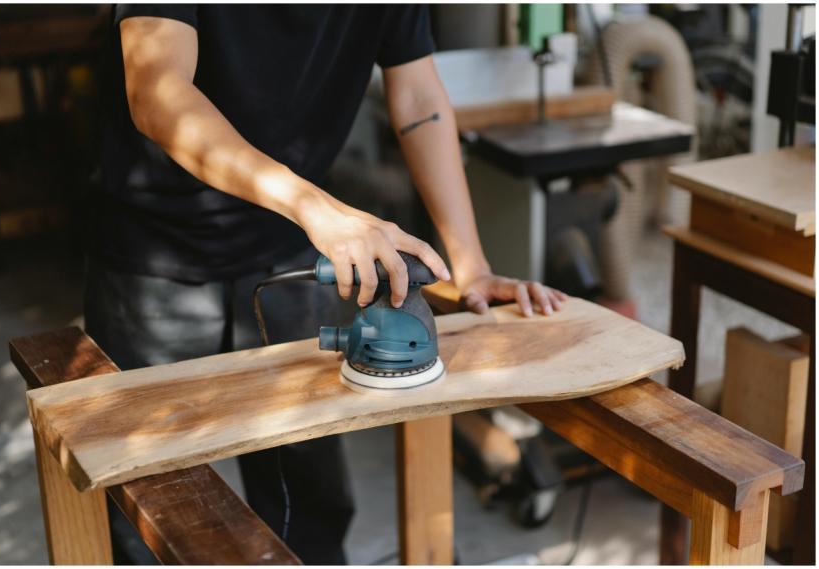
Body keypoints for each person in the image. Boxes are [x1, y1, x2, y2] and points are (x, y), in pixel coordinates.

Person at [86, 4, 567, 564]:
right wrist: (316, 208)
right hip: (154, 254)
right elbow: (157, 92)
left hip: (288, 242)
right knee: (144, 506)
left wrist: (471, 265)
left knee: (309, 502)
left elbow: (417, 98)